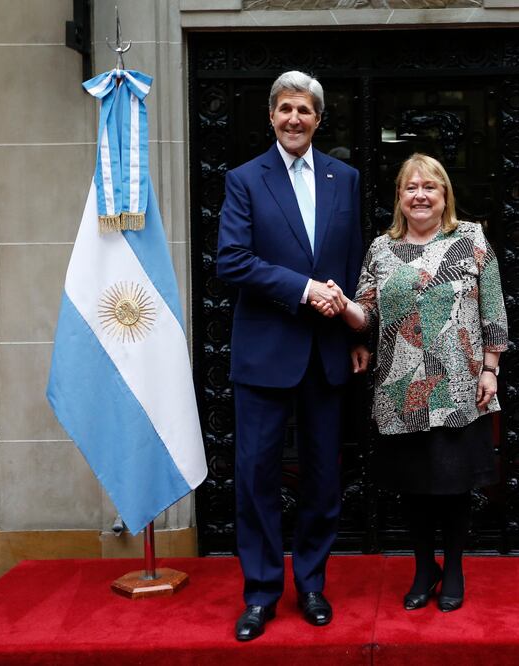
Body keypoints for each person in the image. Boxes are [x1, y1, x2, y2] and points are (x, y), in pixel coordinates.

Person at [313, 153, 508, 612]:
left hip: (459, 388)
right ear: (399, 198)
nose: (420, 195)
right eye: (410, 188)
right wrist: (342, 306)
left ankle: (454, 568)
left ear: (445, 196)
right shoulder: (380, 250)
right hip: (400, 391)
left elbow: (494, 311)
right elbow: (367, 314)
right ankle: (425, 568)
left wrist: (490, 368)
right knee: (414, 486)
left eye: (430, 187)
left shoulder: (471, 239)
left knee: (456, 486)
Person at [216, 70, 363, 641]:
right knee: (255, 475)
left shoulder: (343, 177)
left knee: (324, 476)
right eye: (285, 110)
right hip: (265, 352)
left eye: (304, 110)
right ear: (271, 116)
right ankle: (259, 594)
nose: (294, 119)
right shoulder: (244, 180)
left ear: (318, 118)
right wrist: (303, 289)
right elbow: (231, 261)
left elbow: (351, 263)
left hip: (328, 353)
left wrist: (356, 335)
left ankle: (313, 585)